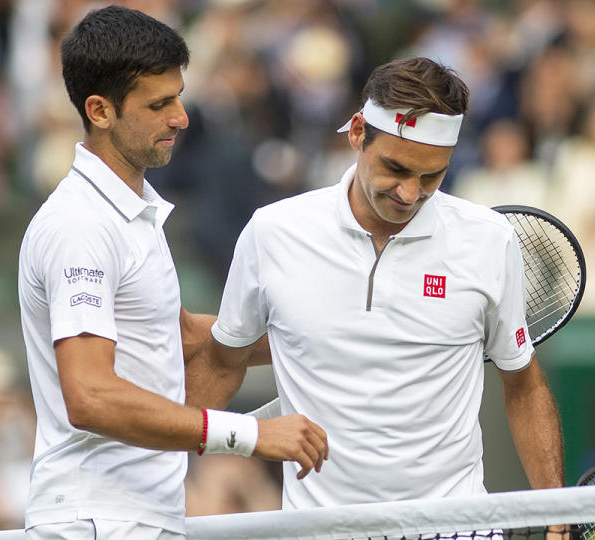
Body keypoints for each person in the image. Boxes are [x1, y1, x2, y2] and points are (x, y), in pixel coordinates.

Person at [187, 57, 564, 511]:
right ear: (357, 133)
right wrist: (156, 459)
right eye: (396, 168)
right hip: (320, 527)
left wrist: (556, 510)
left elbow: (523, 384)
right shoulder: (273, 232)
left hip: (455, 524)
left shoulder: (489, 239)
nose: (410, 193)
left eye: (431, 176)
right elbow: (223, 363)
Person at [16, 7, 327, 540]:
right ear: (100, 110)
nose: (181, 117)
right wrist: (250, 434)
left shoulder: (127, 211)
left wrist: (324, 333)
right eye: (159, 104)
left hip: (131, 516)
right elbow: (90, 395)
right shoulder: (81, 227)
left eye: (178, 96)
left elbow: (180, 335)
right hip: (98, 522)